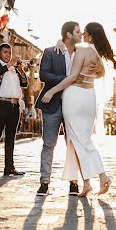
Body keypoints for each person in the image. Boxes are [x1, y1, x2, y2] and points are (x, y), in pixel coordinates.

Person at [41, 22, 116, 197]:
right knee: (79, 142)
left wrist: (52, 91)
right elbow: (100, 74)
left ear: (90, 35)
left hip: (74, 97)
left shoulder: (82, 51)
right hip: (89, 97)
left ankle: (102, 176)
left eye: (84, 32)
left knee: (81, 141)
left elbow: (72, 77)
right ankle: (86, 184)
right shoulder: (97, 55)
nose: (82, 34)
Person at [35, 21, 85, 196]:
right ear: (69, 34)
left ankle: (73, 182)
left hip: (74, 106)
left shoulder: (81, 53)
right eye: (78, 31)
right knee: (49, 144)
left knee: (72, 145)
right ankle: (44, 182)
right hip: (52, 104)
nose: (82, 34)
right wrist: (68, 79)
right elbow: (43, 75)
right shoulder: (50, 52)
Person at [0, 44, 28, 177]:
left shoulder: (13, 68)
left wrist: (21, 71)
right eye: (5, 52)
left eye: (10, 53)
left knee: (11, 137)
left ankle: (9, 167)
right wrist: (10, 64)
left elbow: (24, 84)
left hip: (14, 105)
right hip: (1, 104)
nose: (8, 55)